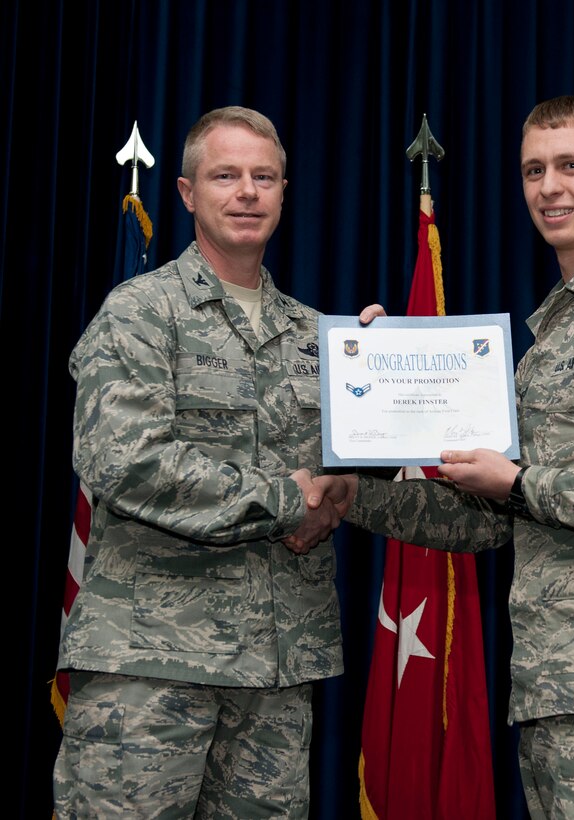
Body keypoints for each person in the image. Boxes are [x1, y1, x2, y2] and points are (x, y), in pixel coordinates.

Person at [335, 95, 574, 818]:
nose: (550, 188)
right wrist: (360, 470)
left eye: (572, 166)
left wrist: (521, 480)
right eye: (533, 170)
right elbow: (490, 518)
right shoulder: (551, 337)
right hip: (558, 695)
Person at [53, 106, 348, 818]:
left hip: (277, 674)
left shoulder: (321, 337)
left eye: (263, 177)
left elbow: (348, 478)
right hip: (150, 668)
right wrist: (287, 498)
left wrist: (386, 374)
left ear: (283, 192)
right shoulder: (139, 313)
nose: (247, 192)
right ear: (187, 193)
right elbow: (123, 461)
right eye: (226, 175)